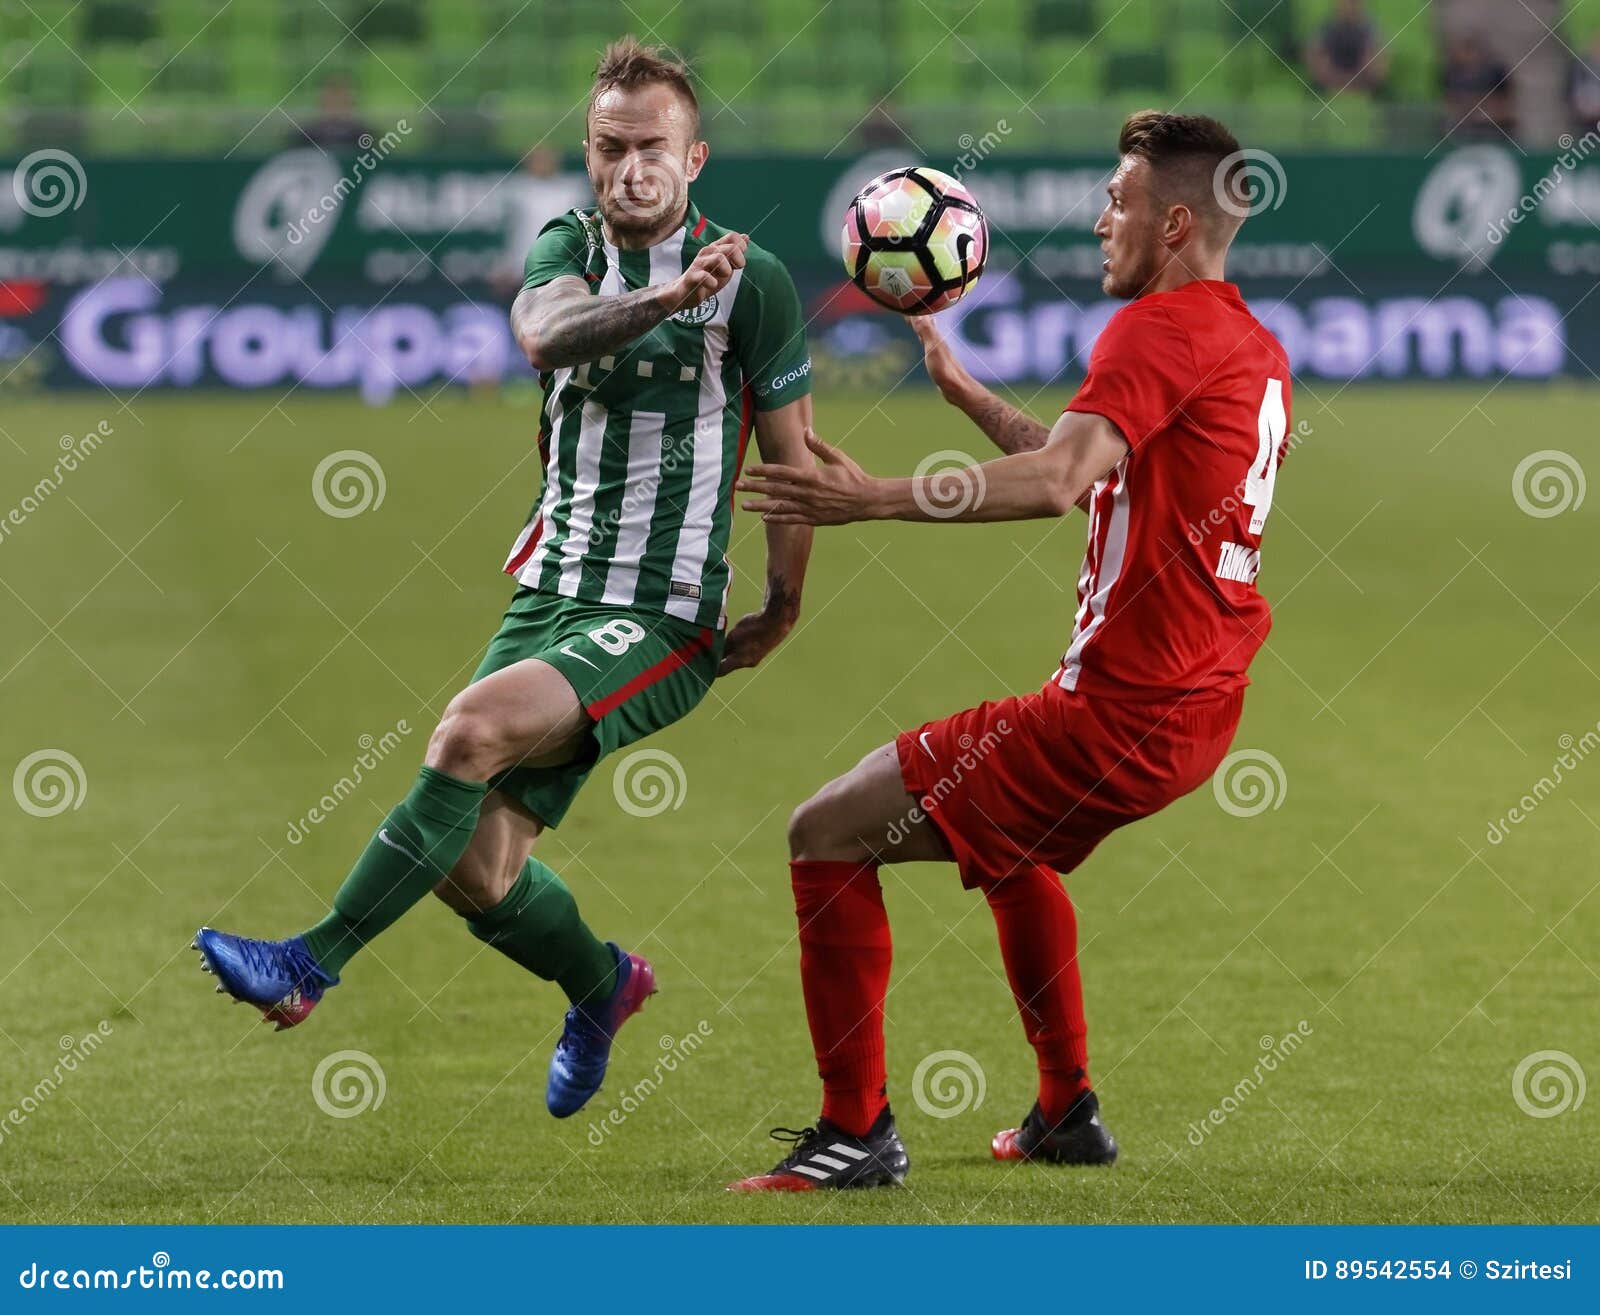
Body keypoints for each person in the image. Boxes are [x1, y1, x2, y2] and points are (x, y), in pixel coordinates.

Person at [196, 38, 816, 1121]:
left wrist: (782, 604)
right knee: (474, 869)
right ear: (588, 154)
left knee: (466, 735)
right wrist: (665, 301)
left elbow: (793, 462)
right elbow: (543, 333)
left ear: (695, 156)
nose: (630, 167)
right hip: (549, 593)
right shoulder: (566, 246)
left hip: (659, 614)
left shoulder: (752, 281)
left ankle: (309, 963)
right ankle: (601, 984)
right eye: (610, 146)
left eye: (652, 147)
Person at [728, 111, 1293, 1190]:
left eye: (1117, 201)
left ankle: (853, 1134)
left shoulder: (1154, 331)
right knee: (1011, 848)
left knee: (826, 832)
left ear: (1173, 221)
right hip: (1200, 708)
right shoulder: (1246, 344)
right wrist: (972, 398)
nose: (1098, 221)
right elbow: (1098, 470)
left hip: (1118, 711)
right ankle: (1064, 1109)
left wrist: (867, 498)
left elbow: (1057, 485)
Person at [493, 147, 592, 299]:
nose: (542, 165)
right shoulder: (517, 190)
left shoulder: (572, 190)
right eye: (538, 161)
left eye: (546, 160)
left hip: (566, 270)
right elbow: (513, 234)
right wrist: (507, 265)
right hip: (524, 271)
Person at [1306, 0, 1388, 95]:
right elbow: (1315, 60)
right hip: (1329, 88)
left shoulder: (1370, 31)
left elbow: (1379, 66)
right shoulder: (1326, 29)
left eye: (1353, 2)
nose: (1348, 6)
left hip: (1363, 88)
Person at [1441, 33, 1514, 141]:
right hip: (1461, 132)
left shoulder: (1496, 72)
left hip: (1493, 132)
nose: (1467, 57)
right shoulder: (1451, 74)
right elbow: (1448, 104)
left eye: (1470, 52)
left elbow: (1507, 105)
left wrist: (1483, 111)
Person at [294, 74, 373, 150]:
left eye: (342, 98)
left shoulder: (365, 137)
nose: (336, 100)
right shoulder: (306, 136)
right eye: (332, 93)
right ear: (321, 100)